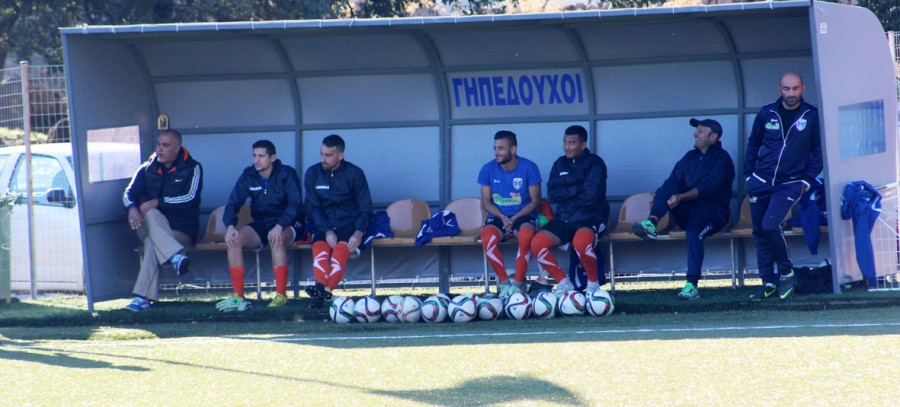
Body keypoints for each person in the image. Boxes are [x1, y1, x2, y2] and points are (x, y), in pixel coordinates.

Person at [632, 119, 735, 300]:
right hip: (688, 211)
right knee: (669, 185)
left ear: (713, 137)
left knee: (694, 231)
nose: (695, 134)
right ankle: (652, 222)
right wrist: (671, 196)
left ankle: (692, 285)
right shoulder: (689, 156)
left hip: (714, 213)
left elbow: (707, 187)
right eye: (696, 131)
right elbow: (673, 181)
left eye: (700, 131)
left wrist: (681, 197)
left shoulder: (722, 159)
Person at [745, 71, 822, 301]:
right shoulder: (767, 112)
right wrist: (749, 175)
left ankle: (787, 273)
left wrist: (806, 180)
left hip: (790, 183)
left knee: (770, 225)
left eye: (795, 88)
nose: (791, 93)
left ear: (802, 89)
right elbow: (753, 143)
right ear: (779, 90)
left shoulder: (811, 115)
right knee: (759, 232)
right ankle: (768, 282)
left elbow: (818, 151)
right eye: (787, 89)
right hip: (760, 181)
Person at [215, 140, 304, 312]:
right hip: (262, 223)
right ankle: (238, 296)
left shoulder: (286, 173)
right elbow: (233, 203)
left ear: (272, 158)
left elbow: (295, 204)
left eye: (261, 156)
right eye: (254, 156)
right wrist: (230, 226)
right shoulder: (249, 174)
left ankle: (281, 295)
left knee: (276, 239)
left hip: (288, 223)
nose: (256, 160)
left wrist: (280, 225)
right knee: (234, 240)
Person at [122, 129, 203, 312]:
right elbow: (128, 193)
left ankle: (142, 299)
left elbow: (190, 198)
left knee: (152, 241)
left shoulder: (193, 167)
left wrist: (158, 202)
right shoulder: (147, 167)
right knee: (151, 214)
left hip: (180, 229)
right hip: (147, 227)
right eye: (158, 144)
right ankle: (174, 256)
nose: (159, 149)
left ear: (177, 149)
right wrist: (131, 208)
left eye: (165, 145)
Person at [530, 125, 610, 297]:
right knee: (536, 243)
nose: (567, 147)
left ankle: (593, 285)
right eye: (565, 142)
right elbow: (552, 194)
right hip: (565, 217)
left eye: (571, 143)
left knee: (581, 242)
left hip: (591, 216)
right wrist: (577, 188)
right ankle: (564, 282)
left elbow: (591, 197)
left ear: (583, 144)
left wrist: (566, 191)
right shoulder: (559, 163)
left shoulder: (595, 163)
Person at [304, 134, 373, 308]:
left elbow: (365, 207)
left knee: (340, 253)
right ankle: (323, 291)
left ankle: (321, 291)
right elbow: (312, 207)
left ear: (340, 155)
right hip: (323, 225)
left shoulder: (355, 173)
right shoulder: (312, 173)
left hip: (349, 225)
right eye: (321, 154)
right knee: (320, 252)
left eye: (328, 155)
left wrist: (359, 231)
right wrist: (327, 230)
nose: (323, 159)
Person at [478, 130, 542, 300]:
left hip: (523, 215)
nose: (496, 152)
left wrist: (514, 218)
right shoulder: (487, 169)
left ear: (513, 149)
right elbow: (486, 202)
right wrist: (503, 217)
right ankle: (505, 283)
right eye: (495, 148)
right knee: (487, 238)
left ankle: (518, 284)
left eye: (501, 148)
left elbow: (535, 201)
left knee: (526, 235)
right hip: (499, 216)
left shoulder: (529, 167)